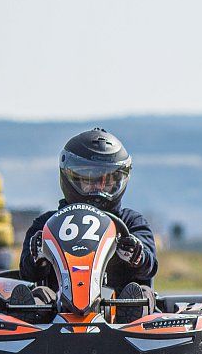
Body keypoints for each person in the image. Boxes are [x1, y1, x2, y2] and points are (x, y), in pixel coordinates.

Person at [19, 128, 157, 306]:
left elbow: (150, 267)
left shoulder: (131, 223)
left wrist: (137, 256)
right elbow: (27, 273)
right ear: (69, 176)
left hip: (120, 309)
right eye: (89, 179)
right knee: (40, 295)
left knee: (142, 294)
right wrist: (37, 256)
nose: (99, 188)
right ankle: (32, 312)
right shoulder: (46, 225)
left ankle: (133, 310)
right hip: (58, 309)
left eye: (107, 181)